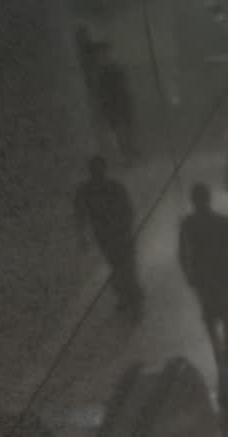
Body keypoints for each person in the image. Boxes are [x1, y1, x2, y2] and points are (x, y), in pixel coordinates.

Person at [178, 183, 228, 359]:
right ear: (209, 199)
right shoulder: (224, 222)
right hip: (226, 277)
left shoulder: (188, 225)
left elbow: (183, 255)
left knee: (210, 319)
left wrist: (189, 276)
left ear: (193, 201)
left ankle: (219, 356)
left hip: (203, 279)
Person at [74, 155, 142, 316]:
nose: (97, 172)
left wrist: (127, 228)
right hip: (106, 237)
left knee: (126, 267)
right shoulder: (86, 191)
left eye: (99, 169)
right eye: (94, 169)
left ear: (103, 169)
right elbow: (80, 214)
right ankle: (126, 296)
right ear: (91, 170)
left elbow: (128, 209)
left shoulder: (114, 187)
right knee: (118, 267)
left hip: (121, 233)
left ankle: (131, 297)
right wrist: (82, 235)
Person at [93, 43, 138, 163]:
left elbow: (124, 86)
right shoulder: (102, 73)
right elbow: (101, 91)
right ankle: (127, 156)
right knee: (119, 133)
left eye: (106, 54)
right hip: (113, 106)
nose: (103, 57)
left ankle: (130, 155)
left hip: (121, 104)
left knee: (125, 131)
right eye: (102, 55)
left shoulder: (116, 69)